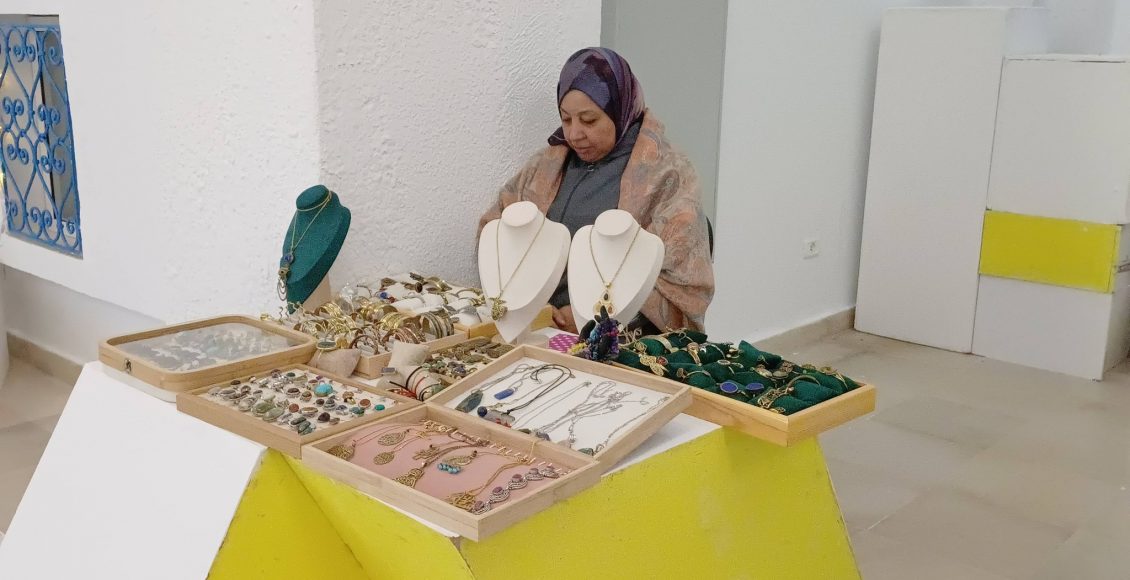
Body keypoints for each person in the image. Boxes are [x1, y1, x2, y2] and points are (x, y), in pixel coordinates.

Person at [479, 47, 714, 334]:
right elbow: (496, 232)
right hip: (536, 323)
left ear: (620, 110)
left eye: (589, 120)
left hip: (620, 335)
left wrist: (590, 314)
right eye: (566, 119)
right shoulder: (547, 165)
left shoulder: (667, 175)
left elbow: (681, 283)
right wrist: (528, 302)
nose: (574, 134)